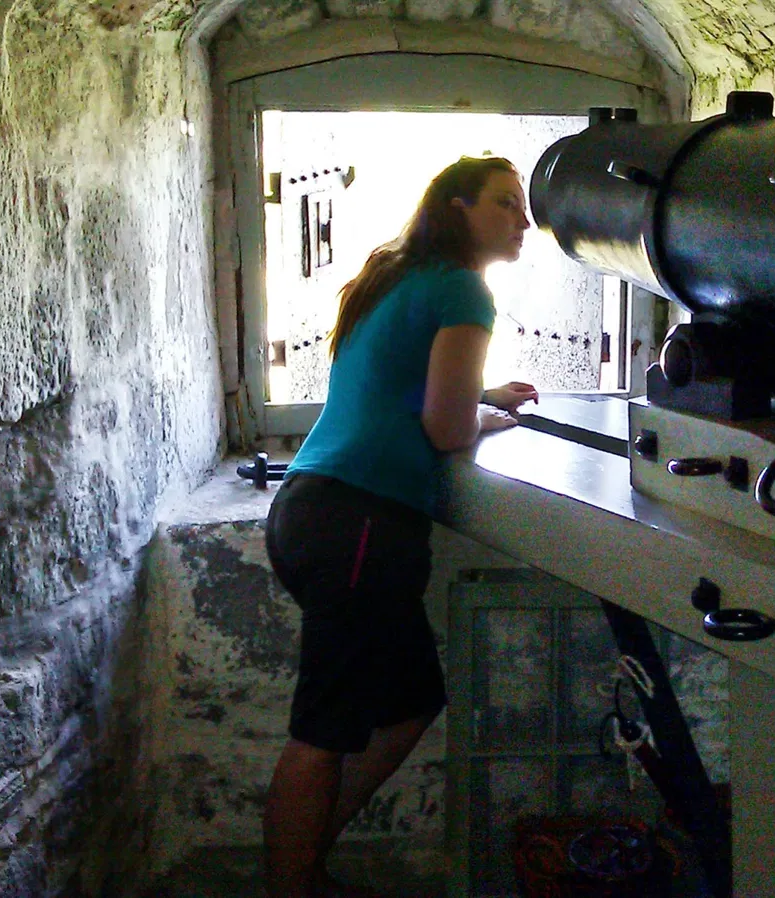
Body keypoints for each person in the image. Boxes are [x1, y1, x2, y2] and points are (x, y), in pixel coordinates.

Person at [261, 155, 539, 898]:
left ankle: (306, 859)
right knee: (322, 734)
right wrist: (487, 414)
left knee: (412, 701)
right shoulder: (463, 288)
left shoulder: (398, 274)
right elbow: (446, 430)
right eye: (506, 204)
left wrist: (481, 390)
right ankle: (293, 883)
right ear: (457, 207)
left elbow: (396, 382)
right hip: (358, 523)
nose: (524, 220)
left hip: (314, 508)